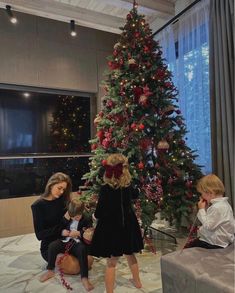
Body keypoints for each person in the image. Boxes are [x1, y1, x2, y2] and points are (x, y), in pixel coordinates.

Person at [90, 153, 144, 293]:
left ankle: (109, 291)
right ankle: (137, 282)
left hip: (111, 228)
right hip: (128, 225)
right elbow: (136, 195)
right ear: (125, 169)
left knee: (111, 262)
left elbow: (100, 210)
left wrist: (95, 216)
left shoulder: (105, 189)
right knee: (130, 254)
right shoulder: (128, 186)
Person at [39, 197, 94, 291]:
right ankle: (50, 270)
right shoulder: (66, 216)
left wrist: (79, 233)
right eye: (72, 217)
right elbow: (59, 228)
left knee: (82, 249)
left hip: (77, 242)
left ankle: (84, 277)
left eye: (77, 217)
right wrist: (62, 232)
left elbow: (89, 231)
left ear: (82, 212)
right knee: (52, 246)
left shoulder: (86, 219)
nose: (74, 218)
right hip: (65, 240)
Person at [31, 172, 72, 263]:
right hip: (50, 246)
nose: (61, 192)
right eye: (59, 188)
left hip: (67, 241)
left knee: (89, 260)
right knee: (73, 267)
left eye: (64, 189)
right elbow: (40, 235)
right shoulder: (38, 205)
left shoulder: (63, 201)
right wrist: (62, 226)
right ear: (51, 185)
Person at [186, 174, 234, 249]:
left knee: (190, 246)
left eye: (202, 193)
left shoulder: (217, 207)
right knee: (194, 241)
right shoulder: (225, 204)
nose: (201, 196)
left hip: (215, 243)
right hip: (224, 240)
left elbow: (209, 226)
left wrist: (201, 209)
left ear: (209, 192)